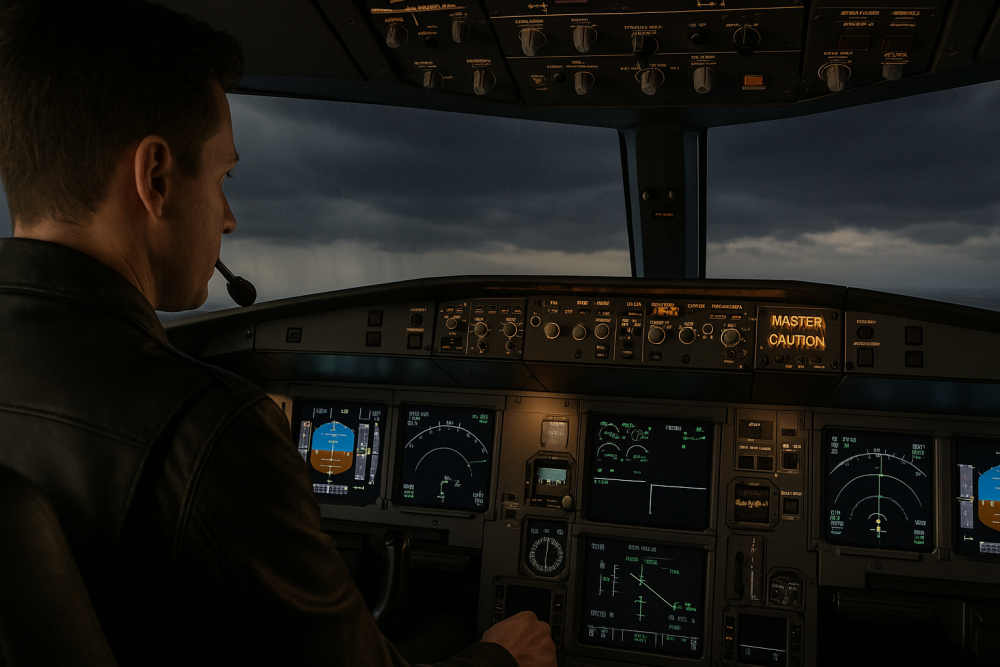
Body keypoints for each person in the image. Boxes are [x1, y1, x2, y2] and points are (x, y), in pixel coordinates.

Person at [0, 1, 557, 665]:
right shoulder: (208, 431)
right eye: (222, 176)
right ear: (154, 178)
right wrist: (503, 659)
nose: (229, 218)